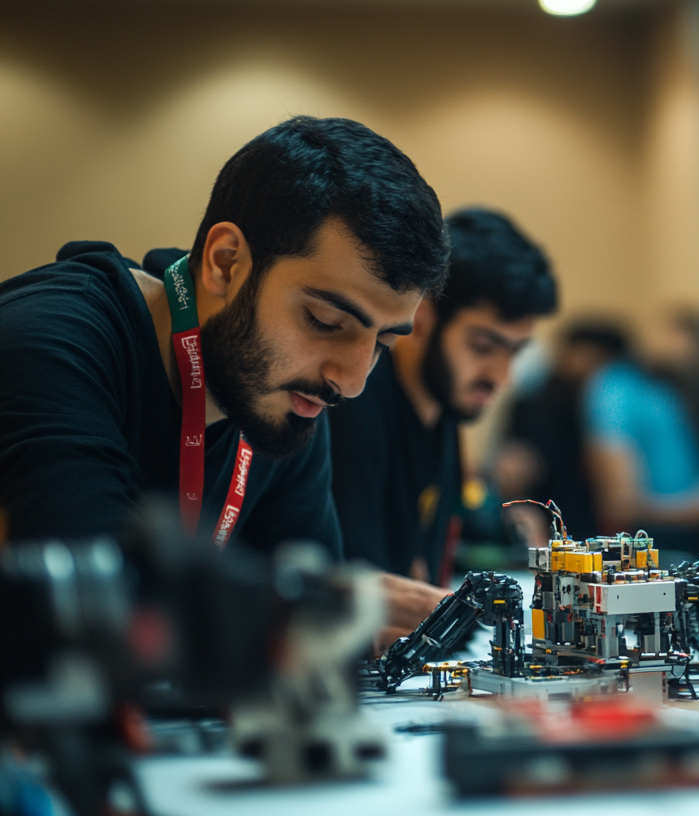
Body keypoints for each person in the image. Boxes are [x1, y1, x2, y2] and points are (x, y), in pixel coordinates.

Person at [0, 115, 453, 639]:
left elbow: (307, 620)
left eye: (382, 343)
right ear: (225, 262)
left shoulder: (288, 397)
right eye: (325, 322)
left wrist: (322, 619)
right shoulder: (50, 342)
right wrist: (298, 611)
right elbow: (100, 610)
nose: (350, 382)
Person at [329, 207, 557, 589]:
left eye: (515, 352)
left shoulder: (443, 408)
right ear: (422, 316)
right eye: (483, 346)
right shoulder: (354, 404)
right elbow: (362, 590)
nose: (501, 377)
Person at [580, 321, 699, 558]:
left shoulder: (659, 385)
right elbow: (620, 504)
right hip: (659, 544)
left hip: (693, 531)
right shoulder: (615, 390)